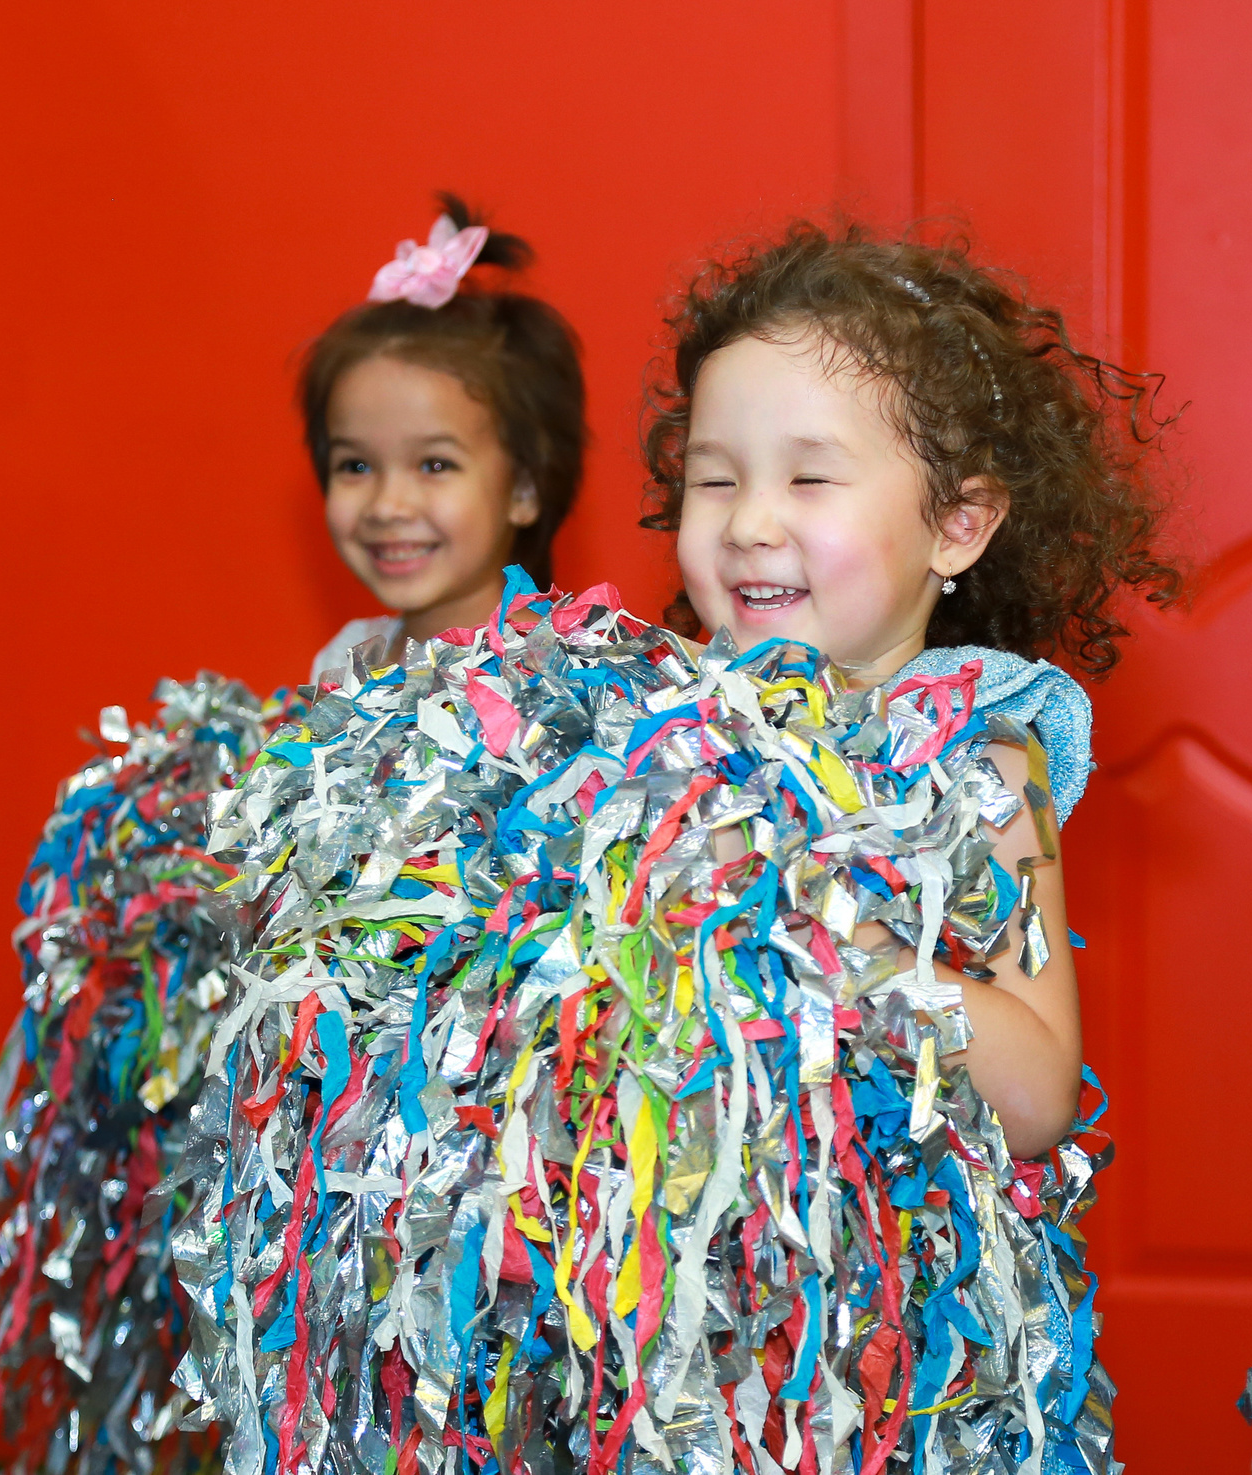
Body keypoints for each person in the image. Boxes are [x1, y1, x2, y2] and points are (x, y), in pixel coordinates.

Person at [639, 221, 1179, 1156]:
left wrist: (820, 925)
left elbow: (1042, 1094)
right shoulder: (643, 722)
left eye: (810, 477)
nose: (751, 521)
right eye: (714, 480)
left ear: (958, 525)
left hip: (868, 1275)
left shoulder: (985, 764)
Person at [298, 195, 588, 687]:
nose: (387, 506)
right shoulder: (341, 662)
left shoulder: (556, 675)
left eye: (434, 464)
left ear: (524, 489)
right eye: (356, 466)